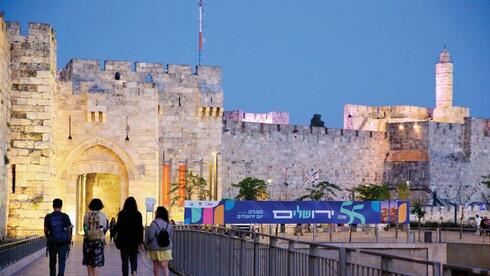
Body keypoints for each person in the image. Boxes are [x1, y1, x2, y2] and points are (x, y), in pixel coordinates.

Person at [44, 198, 73, 276]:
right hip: (63, 243)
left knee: (52, 262)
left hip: (52, 243)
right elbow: (69, 230)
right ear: (61, 206)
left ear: (53, 206)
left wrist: (49, 238)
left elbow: (45, 230)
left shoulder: (48, 216)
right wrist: (69, 240)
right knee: (62, 261)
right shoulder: (65, 216)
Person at [116, 197, 144, 276]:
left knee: (124, 261)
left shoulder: (121, 214)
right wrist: (141, 242)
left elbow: (118, 227)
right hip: (134, 241)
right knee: (134, 258)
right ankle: (134, 271)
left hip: (123, 241)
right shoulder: (138, 214)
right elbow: (140, 229)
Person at [82, 198, 108, 276]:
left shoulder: (86, 215)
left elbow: (85, 227)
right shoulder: (102, 215)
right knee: (96, 263)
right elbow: (104, 228)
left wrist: (87, 233)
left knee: (89, 262)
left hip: (88, 241)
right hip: (98, 241)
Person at [145, 206, 173, 276]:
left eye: (156, 211)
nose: (155, 212)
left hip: (155, 248)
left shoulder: (154, 223)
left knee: (156, 264)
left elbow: (150, 236)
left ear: (158, 213)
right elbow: (170, 235)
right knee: (165, 266)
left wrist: (147, 243)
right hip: (166, 247)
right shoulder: (169, 223)